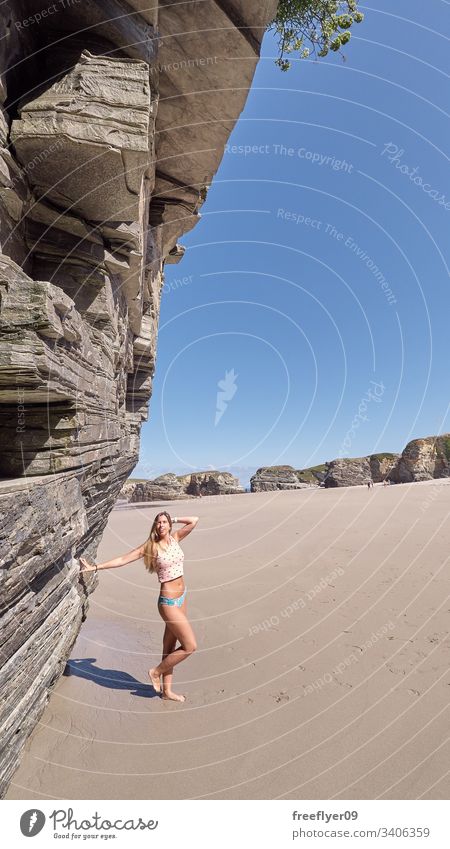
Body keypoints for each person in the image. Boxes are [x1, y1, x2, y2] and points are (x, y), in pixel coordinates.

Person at [79, 512, 199, 703]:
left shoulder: (176, 538)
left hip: (182, 597)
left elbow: (194, 520)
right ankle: (155, 672)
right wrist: (95, 567)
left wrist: (173, 519)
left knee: (169, 647)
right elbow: (122, 560)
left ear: (169, 525)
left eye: (164, 522)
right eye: (158, 522)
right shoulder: (151, 547)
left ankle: (167, 692)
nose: (161, 525)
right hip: (168, 603)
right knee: (190, 646)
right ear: (154, 526)